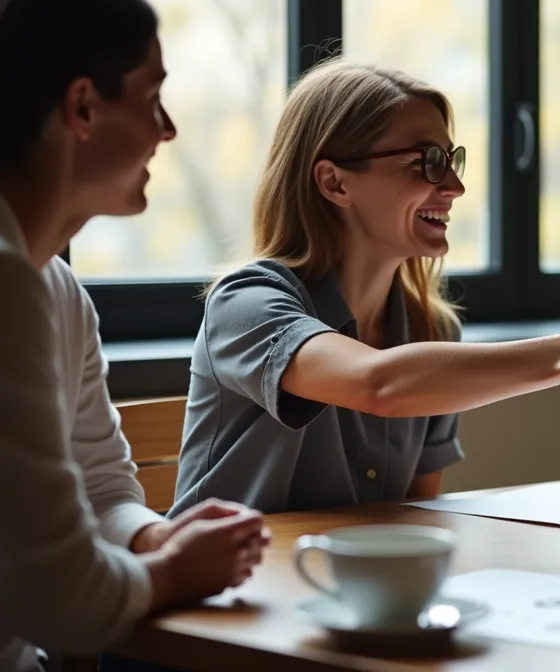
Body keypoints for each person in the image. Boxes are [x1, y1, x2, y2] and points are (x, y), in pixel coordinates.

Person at [170, 60, 560, 516]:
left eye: (452, 159)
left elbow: (411, 521)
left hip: (354, 599)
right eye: (427, 161)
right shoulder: (247, 303)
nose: (454, 187)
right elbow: (377, 385)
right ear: (335, 183)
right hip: (226, 601)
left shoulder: (432, 330)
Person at [0, 0, 268, 669]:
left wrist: (156, 539)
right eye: (153, 98)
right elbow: (64, 600)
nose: (168, 130)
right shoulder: (6, 285)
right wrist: (178, 573)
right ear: (82, 108)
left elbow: (103, 489)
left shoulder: (57, 292)